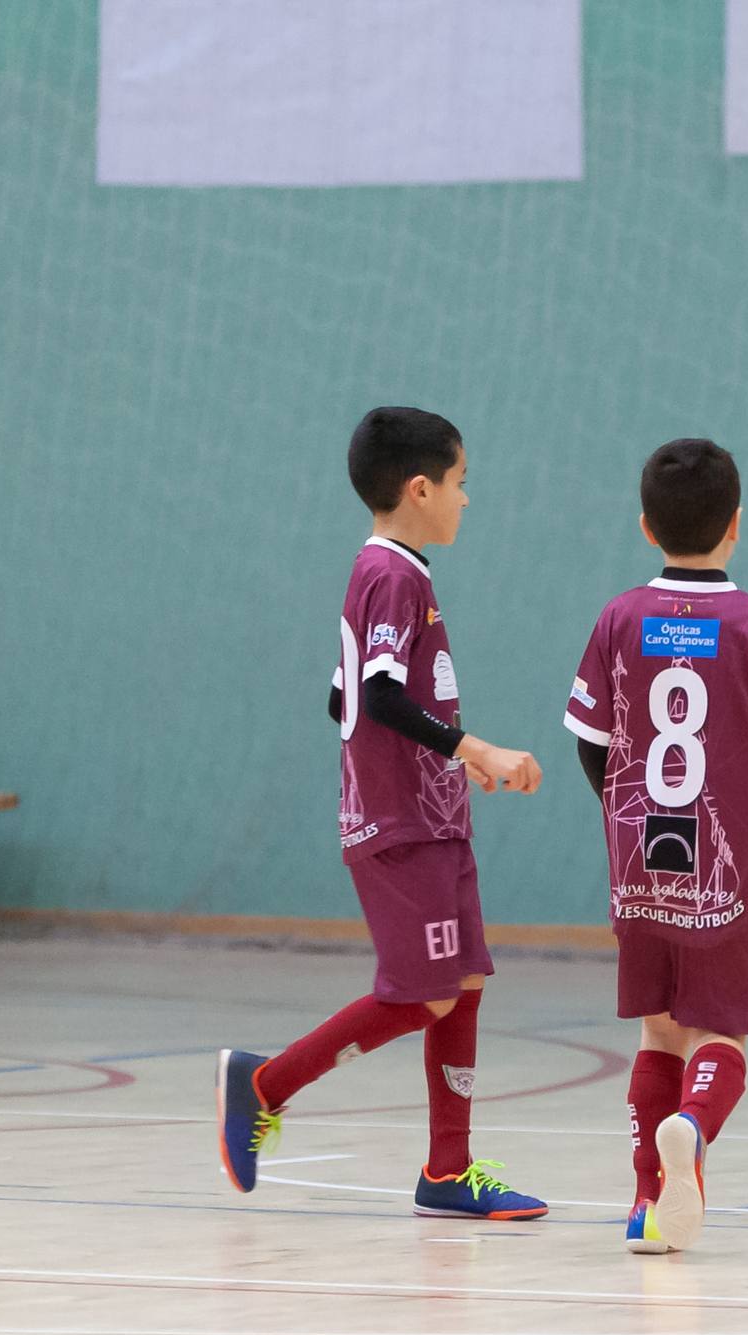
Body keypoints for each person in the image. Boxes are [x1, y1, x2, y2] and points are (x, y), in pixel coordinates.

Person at [214, 406, 547, 1220]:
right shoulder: (393, 575)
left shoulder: (391, 571)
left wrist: (426, 768)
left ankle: (447, 1170)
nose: (468, 500)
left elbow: (342, 695)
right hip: (402, 826)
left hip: (426, 816)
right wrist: (473, 751)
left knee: (461, 984)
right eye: (462, 484)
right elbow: (375, 696)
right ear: (421, 487)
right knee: (421, 994)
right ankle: (264, 1083)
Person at [563, 438, 748, 1253]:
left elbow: (589, 742)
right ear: (736, 525)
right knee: (719, 1035)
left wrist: (621, 820)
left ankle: (646, 1207)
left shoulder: (618, 617)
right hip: (722, 865)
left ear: (645, 527)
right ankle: (694, 1128)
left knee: (656, 1031)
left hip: (640, 863)